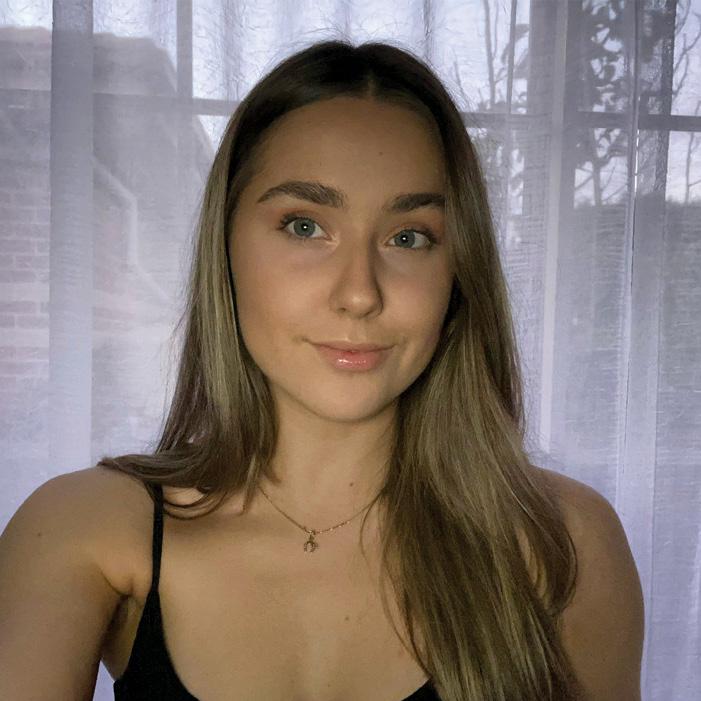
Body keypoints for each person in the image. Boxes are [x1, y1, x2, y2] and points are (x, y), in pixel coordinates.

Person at [0, 39, 644, 701]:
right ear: (225, 247)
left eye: (408, 237)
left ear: (458, 272)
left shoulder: (563, 543)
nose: (359, 293)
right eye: (305, 226)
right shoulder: (88, 529)